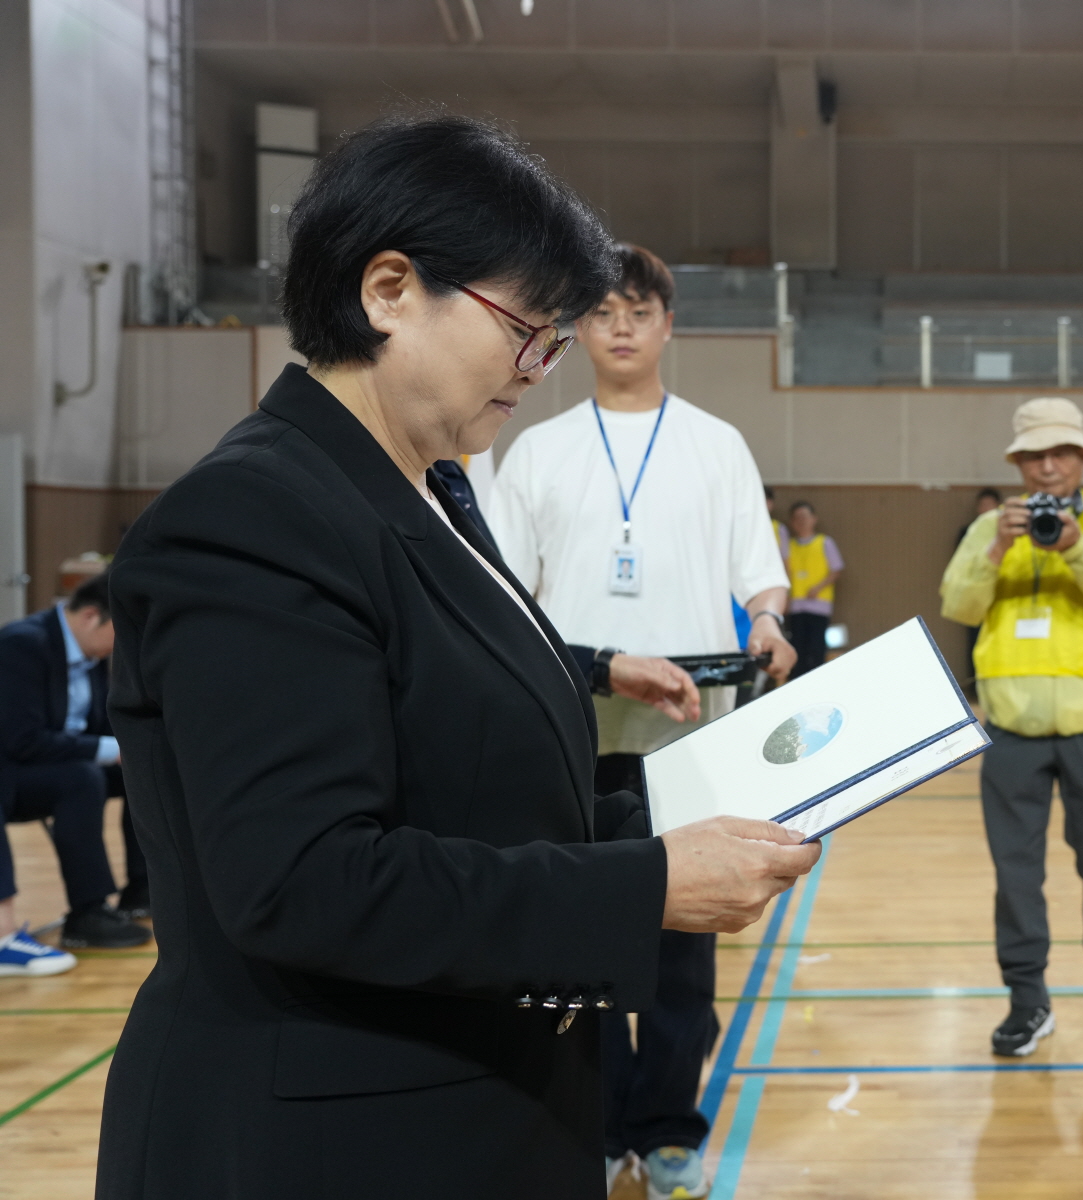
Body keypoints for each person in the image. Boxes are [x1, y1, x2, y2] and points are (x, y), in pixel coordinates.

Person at [95, 113, 819, 1200]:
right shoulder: (256, 516)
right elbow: (307, 880)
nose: (539, 367)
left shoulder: (427, 495)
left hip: (467, 1107)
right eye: (525, 327)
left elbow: (471, 789)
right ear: (389, 290)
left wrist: (666, 820)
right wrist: (644, 883)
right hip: (325, 1142)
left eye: (552, 340)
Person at [487, 242, 795, 1200]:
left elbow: (760, 570)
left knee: (681, 943)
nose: (621, 328)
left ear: (668, 326)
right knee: (583, 932)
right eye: (603, 313)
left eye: (640, 311)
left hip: (689, 733)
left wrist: (771, 623)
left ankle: (666, 1126)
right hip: (573, 725)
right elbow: (503, 586)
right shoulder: (535, 448)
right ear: (577, 329)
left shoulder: (716, 442)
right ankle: (599, 1122)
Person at [940, 397, 1083, 1057]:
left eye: (1060, 453)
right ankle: (1028, 1001)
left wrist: (1077, 545)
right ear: (1019, 463)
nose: (1048, 466)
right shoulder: (988, 528)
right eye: (1034, 455)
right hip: (1009, 727)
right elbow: (958, 604)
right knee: (1016, 871)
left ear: (1082, 459)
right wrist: (998, 546)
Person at [0, 570, 150, 963]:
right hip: (14, 773)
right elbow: (21, 740)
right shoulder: (23, 644)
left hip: (55, 762)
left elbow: (100, 726)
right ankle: (87, 912)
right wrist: (107, 748)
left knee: (143, 770)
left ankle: (143, 889)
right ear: (91, 616)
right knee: (81, 779)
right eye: (121, 629)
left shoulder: (89, 653)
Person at [785, 500, 843, 678]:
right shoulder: (789, 545)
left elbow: (837, 569)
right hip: (795, 606)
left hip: (818, 606)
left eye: (805, 517)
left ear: (814, 519)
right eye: (797, 518)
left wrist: (817, 588)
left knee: (816, 649)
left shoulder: (824, 542)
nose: (801, 521)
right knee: (797, 650)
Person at [960, 488, 1005, 680]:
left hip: (1002, 596)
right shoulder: (969, 532)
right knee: (975, 642)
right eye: (982, 505)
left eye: (990, 504)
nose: (985, 508)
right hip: (976, 594)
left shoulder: (1011, 530)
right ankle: (976, 685)